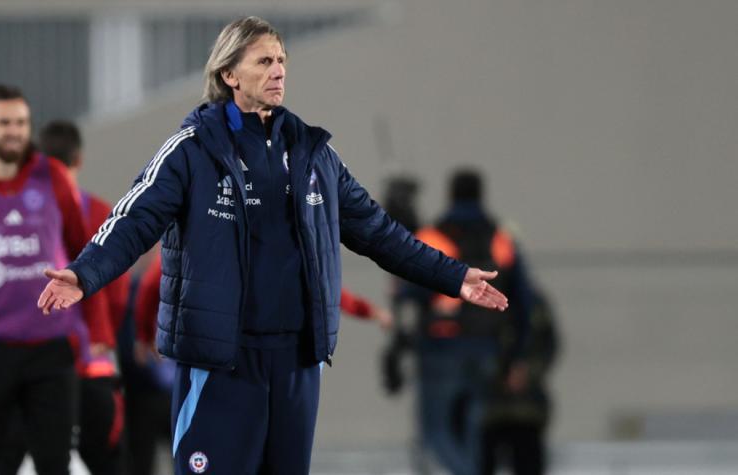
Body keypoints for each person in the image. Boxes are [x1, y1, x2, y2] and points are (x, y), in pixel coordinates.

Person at [38, 16, 508, 475]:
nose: (278, 70)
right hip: (221, 359)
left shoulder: (315, 154)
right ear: (229, 74)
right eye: (263, 61)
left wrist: (454, 276)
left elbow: (381, 233)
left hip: (296, 361)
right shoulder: (190, 149)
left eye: (281, 60)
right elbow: (133, 219)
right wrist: (84, 273)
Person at [0, 85, 110, 475]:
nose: (15, 131)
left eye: (21, 122)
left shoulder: (51, 176)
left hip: (50, 349)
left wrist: (98, 328)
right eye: (4, 122)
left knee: (55, 462)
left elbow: (85, 253)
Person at [389, 169, 532, 475]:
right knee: (472, 432)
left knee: (436, 432)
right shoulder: (501, 240)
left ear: (451, 194)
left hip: (441, 348)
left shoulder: (432, 236)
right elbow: (524, 302)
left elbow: (409, 288)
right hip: (487, 350)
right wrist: (516, 355)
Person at [39, 119, 129, 475]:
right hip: (94, 361)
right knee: (107, 458)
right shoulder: (100, 214)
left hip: (37, 360)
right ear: (79, 159)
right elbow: (119, 294)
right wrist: (106, 333)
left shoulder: (26, 213)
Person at [480, 287, 559, 475]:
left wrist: (526, 372)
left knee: (527, 460)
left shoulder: (531, 301)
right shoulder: (475, 296)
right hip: (486, 407)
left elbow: (548, 344)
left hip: (525, 408)